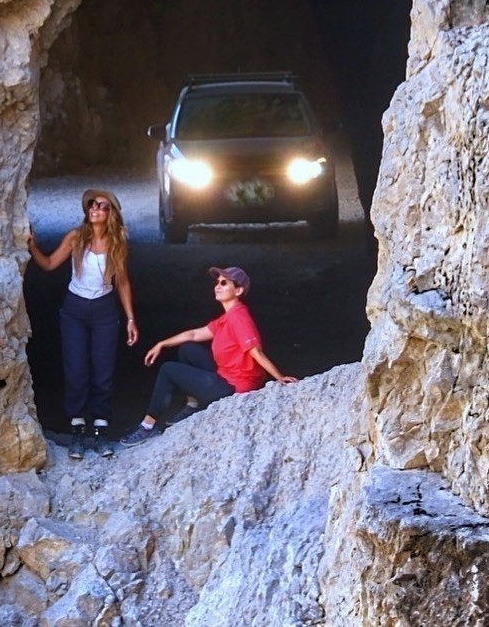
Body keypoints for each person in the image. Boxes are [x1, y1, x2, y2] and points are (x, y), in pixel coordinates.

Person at [118, 266, 295, 446]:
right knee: (188, 349)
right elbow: (194, 334)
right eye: (217, 282)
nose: (218, 286)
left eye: (224, 283)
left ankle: (147, 426)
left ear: (239, 290)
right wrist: (161, 344)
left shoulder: (239, 318)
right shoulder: (227, 317)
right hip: (226, 375)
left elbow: (255, 351)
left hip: (233, 388)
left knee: (168, 369)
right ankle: (192, 405)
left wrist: (279, 377)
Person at [28, 188, 138, 459]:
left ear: (111, 212)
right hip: (74, 310)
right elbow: (50, 263)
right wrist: (32, 246)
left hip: (104, 310)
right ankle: (77, 430)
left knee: (103, 372)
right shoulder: (76, 238)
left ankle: (100, 431)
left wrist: (131, 319)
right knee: (76, 370)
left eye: (101, 206)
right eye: (92, 205)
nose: (95, 209)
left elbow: (122, 281)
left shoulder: (118, 241)